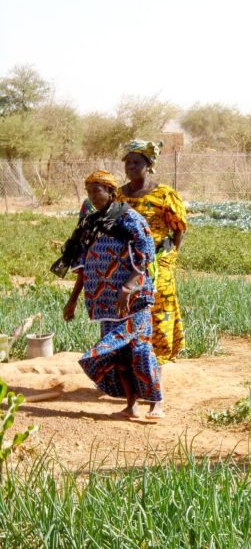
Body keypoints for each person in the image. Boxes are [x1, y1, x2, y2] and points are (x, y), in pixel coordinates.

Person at [56, 170, 162, 419]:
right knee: (117, 355)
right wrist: (72, 301)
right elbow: (82, 267)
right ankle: (131, 404)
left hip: (133, 300)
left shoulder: (129, 218)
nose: (93, 196)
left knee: (140, 351)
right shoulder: (91, 223)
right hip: (105, 304)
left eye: (98, 190)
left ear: (111, 192)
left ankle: (157, 402)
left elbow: (145, 256)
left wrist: (127, 288)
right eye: (89, 191)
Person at [117, 139, 187, 419]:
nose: (131, 167)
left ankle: (156, 397)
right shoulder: (119, 196)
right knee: (128, 327)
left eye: (137, 162)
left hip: (157, 269)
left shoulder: (164, 194)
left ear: (149, 165)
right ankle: (132, 396)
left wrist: (168, 258)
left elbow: (178, 230)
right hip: (125, 269)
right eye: (128, 162)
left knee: (156, 325)